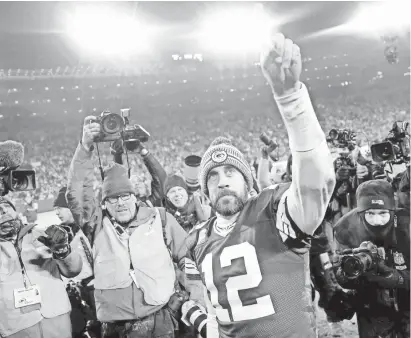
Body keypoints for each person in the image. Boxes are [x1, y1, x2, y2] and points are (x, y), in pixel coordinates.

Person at [182, 33, 336, 338]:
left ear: (248, 182)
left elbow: (314, 184)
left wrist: (291, 98)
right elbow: (212, 307)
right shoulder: (197, 239)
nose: (222, 180)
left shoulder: (273, 209)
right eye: (212, 176)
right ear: (205, 191)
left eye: (230, 172)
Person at [66, 124, 189, 338]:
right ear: (104, 203)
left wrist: (183, 295)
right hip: (115, 326)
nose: (120, 203)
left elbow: (189, 256)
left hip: (160, 318)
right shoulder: (96, 225)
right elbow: (76, 194)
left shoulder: (158, 218)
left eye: (125, 196)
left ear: (134, 197)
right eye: (113, 198)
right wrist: (85, 147)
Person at [334, 180, 410, 338]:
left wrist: (399, 279)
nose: (377, 221)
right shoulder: (345, 228)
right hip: (370, 301)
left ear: (392, 210)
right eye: (370, 213)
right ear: (361, 213)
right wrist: (347, 274)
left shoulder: (407, 224)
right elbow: (339, 274)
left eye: (383, 213)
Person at [0, 195, 82, 338]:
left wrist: (63, 250)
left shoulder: (43, 235)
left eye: (6, 206)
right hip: (17, 328)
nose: (3, 211)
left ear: (15, 211)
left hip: (57, 322)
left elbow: (73, 270)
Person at [54, 186, 97, 338]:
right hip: (78, 290)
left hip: (96, 287)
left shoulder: (88, 227)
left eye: (60, 208)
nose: (57, 213)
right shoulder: (60, 232)